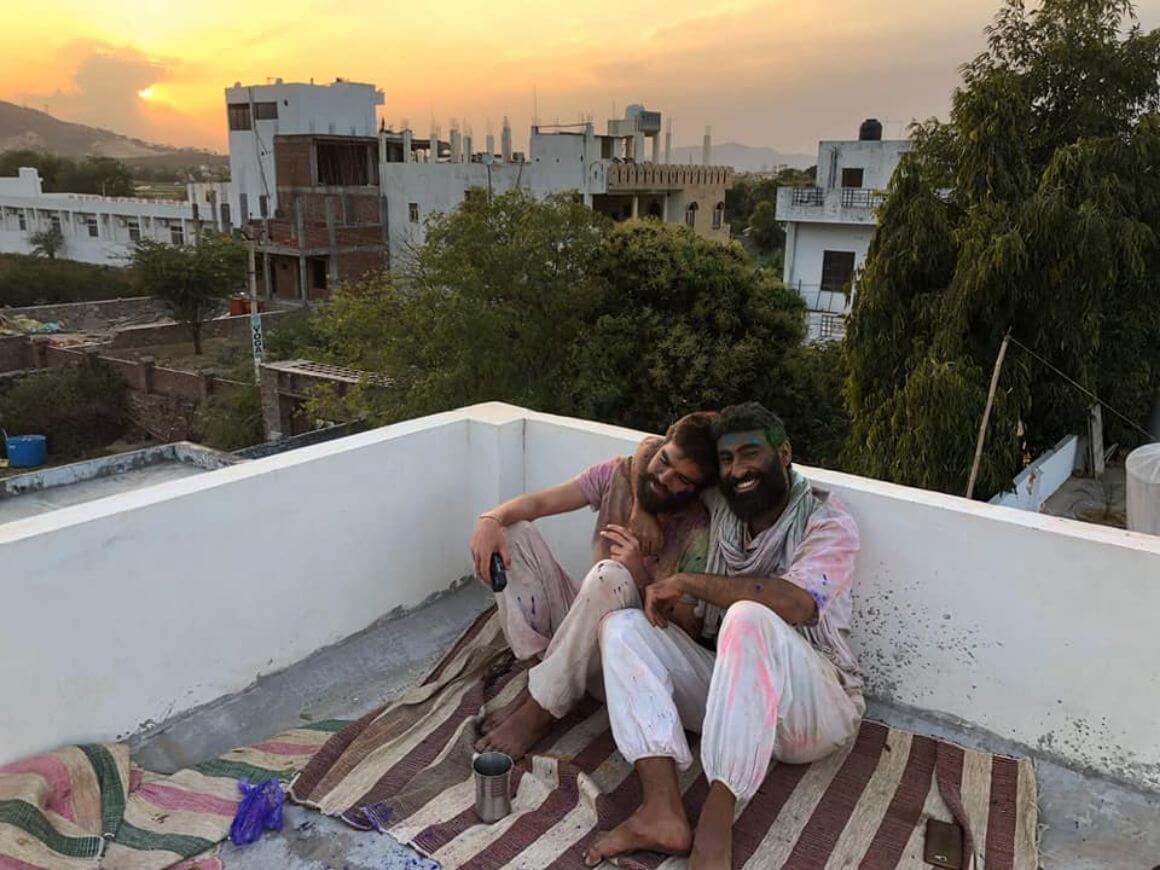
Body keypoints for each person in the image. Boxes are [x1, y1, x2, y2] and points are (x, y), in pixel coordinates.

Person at [585, 402, 863, 869]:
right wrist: (645, 509)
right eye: (728, 459)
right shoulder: (726, 503)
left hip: (814, 709)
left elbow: (796, 603)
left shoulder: (827, 522)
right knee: (623, 628)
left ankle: (716, 825)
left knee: (748, 615)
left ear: (784, 454)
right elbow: (653, 448)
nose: (738, 470)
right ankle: (662, 811)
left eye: (750, 454)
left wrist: (688, 583)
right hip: (736, 701)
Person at [469, 412, 718, 760]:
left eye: (681, 480)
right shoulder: (618, 476)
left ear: (697, 489)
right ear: (660, 446)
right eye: (664, 462)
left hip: (625, 655)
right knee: (515, 533)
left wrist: (637, 573)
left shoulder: (698, 529)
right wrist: (490, 519)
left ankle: (540, 710)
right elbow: (539, 504)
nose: (663, 478)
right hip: (577, 634)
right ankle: (541, 676)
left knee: (611, 575)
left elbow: (689, 630)